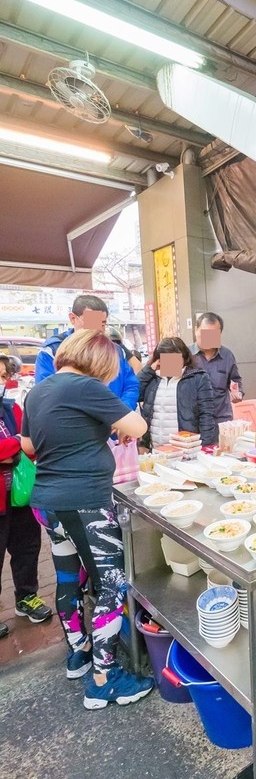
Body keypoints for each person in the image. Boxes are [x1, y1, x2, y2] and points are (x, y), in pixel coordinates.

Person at [21, 330, 153, 708]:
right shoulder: (84, 386)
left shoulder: (40, 391)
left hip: (50, 504)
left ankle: (78, 654)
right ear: (99, 363)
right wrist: (113, 425)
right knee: (111, 584)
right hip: (85, 505)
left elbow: (29, 446)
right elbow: (138, 427)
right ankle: (104, 678)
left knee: (67, 579)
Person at [0, 354, 52, 638]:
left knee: (27, 548)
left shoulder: (11, 409)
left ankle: (27, 597)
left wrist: (14, 447)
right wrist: (15, 445)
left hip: (20, 496)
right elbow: (20, 443)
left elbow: (31, 444)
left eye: (2, 376)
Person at [35, 294, 139, 408]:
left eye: (103, 324)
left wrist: (123, 412)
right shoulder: (52, 351)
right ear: (73, 318)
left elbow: (131, 385)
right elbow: (46, 394)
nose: (98, 329)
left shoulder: (115, 350)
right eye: (92, 322)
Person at [138, 336, 218, 448]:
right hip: (156, 448)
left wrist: (205, 446)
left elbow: (207, 415)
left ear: (184, 358)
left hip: (186, 448)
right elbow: (135, 394)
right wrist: (148, 370)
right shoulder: (152, 377)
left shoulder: (198, 378)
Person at [191, 312, 243, 423]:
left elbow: (236, 380)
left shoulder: (227, 355)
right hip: (192, 421)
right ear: (196, 330)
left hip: (221, 419)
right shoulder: (183, 353)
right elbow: (166, 383)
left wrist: (238, 393)